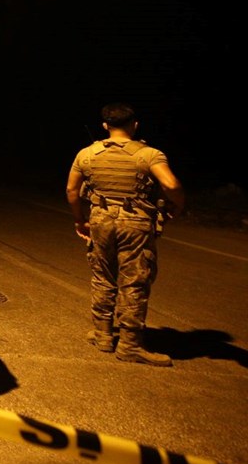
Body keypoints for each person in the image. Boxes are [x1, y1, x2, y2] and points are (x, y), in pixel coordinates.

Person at [65, 103, 185, 367]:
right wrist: (179, 204)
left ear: (105, 126)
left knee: (103, 276)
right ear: (135, 125)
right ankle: (130, 345)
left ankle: (103, 335)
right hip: (136, 224)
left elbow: (72, 191)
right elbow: (171, 184)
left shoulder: (87, 154)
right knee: (134, 282)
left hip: (100, 220)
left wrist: (79, 220)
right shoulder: (149, 155)